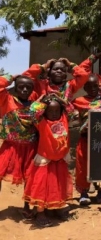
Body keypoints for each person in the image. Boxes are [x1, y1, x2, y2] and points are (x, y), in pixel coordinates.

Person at [23, 94, 74, 228]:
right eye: (50, 111)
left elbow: (71, 109)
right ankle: (40, 213)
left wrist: (60, 98)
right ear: (44, 112)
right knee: (42, 188)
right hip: (45, 161)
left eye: (56, 111)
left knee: (58, 186)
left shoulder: (64, 119)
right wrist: (44, 100)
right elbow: (33, 110)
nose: (53, 113)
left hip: (60, 160)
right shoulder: (41, 122)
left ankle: (55, 208)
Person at [0, 74, 38, 218]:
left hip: (30, 148)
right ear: (14, 88)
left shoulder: (35, 105)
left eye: (28, 87)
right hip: (11, 147)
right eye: (20, 87)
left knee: (29, 178)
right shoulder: (7, 100)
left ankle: (27, 206)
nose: (24, 90)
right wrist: (13, 76)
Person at [72, 74, 101, 205]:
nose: (93, 88)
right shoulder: (78, 101)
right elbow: (71, 116)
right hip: (85, 139)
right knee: (83, 167)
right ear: (85, 87)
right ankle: (84, 193)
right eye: (90, 86)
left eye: (96, 85)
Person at [22, 57, 91, 102]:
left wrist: (70, 65)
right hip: (42, 122)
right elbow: (25, 77)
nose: (59, 71)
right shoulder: (41, 85)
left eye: (62, 70)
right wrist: (44, 67)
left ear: (65, 75)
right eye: (55, 69)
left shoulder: (70, 86)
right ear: (49, 73)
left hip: (62, 121)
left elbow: (84, 76)